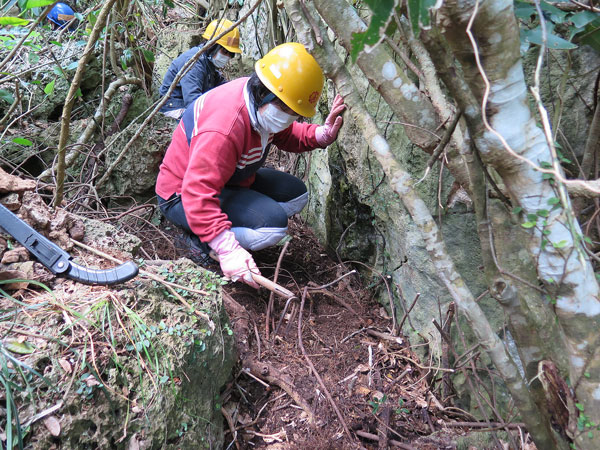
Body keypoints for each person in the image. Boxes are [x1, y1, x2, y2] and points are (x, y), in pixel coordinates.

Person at [156, 42, 346, 288]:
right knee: (272, 228)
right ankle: (200, 242)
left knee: (296, 195)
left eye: (294, 113)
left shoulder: (260, 105)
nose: (289, 117)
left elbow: (285, 133)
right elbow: (198, 190)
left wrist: (320, 134)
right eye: (285, 110)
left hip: (228, 178)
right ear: (263, 93)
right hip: (181, 194)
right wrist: (228, 249)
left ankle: (230, 222)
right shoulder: (224, 126)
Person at [159, 18, 242, 120]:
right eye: (224, 52)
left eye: (230, 54)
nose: (226, 57)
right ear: (212, 46)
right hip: (175, 108)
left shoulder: (208, 62)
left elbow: (224, 88)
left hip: (186, 105)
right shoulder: (194, 63)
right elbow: (192, 101)